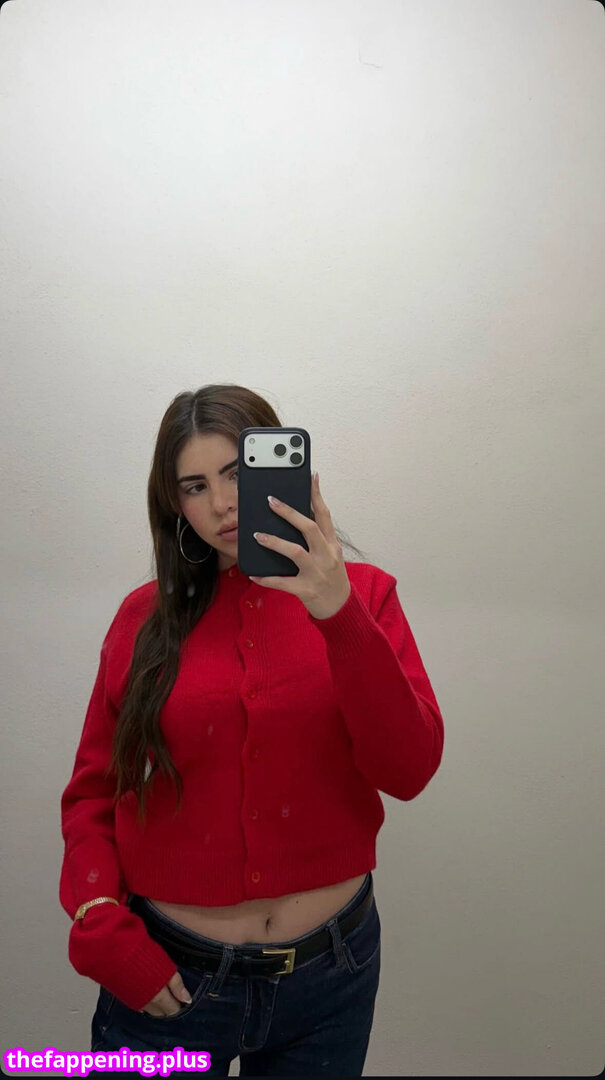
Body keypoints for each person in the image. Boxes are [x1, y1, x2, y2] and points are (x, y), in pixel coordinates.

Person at [59, 384, 445, 1077]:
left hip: (331, 978)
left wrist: (338, 615)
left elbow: (409, 770)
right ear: (174, 505)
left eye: (239, 473)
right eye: (195, 486)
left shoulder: (364, 597)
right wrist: (99, 921)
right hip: (169, 982)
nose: (222, 504)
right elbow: (94, 791)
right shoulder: (143, 619)